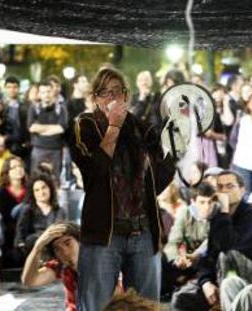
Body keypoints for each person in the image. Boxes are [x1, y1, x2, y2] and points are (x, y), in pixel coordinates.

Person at [69, 67, 175, 310]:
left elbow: (164, 171)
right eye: (105, 93)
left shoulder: (141, 126)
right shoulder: (84, 125)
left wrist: (176, 148)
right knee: (96, 305)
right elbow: (94, 170)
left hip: (143, 232)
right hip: (103, 235)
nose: (112, 98)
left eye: (118, 91)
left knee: (146, 306)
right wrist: (113, 128)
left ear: (127, 96)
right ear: (94, 98)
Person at [171, 170, 252, 311]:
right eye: (220, 187)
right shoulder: (219, 216)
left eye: (230, 186)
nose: (224, 191)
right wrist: (206, 281)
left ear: (242, 190)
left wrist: (224, 210)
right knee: (181, 298)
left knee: (227, 255)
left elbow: (227, 247)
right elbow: (211, 254)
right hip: (222, 275)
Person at [21, 222, 80, 311]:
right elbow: (30, 281)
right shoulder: (61, 266)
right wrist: (37, 248)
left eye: (68, 244)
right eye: (57, 249)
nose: (65, 252)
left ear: (80, 242)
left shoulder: (100, 263)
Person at [14, 174, 67, 254]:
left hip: (55, 249)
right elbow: (20, 236)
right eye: (37, 190)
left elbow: (62, 231)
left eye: (44, 187)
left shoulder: (59, 210)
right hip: (32, 250)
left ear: (50, 189)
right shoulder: (27, 210)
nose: (41, 192)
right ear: (33, 193)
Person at [27, 80, 68, 175]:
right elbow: (31, 128)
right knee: (36, 178)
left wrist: (41, 129)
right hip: (38, 148)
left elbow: (61, 128)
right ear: (39, 94)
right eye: (43, 92)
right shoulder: (34, 108)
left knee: (55, 180)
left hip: (56, 149)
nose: (46, 95)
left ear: (53, 92)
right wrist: (53, 128)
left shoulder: (61, 108)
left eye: (48, 91)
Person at [0, 156, 27, 267]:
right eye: (13, 167)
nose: (18, 169)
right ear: (7, 172)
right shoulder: (1, 192)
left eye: (20, 166)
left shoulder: (31, 189)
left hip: (28, 232)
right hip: (8, 235)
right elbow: (1, 219)